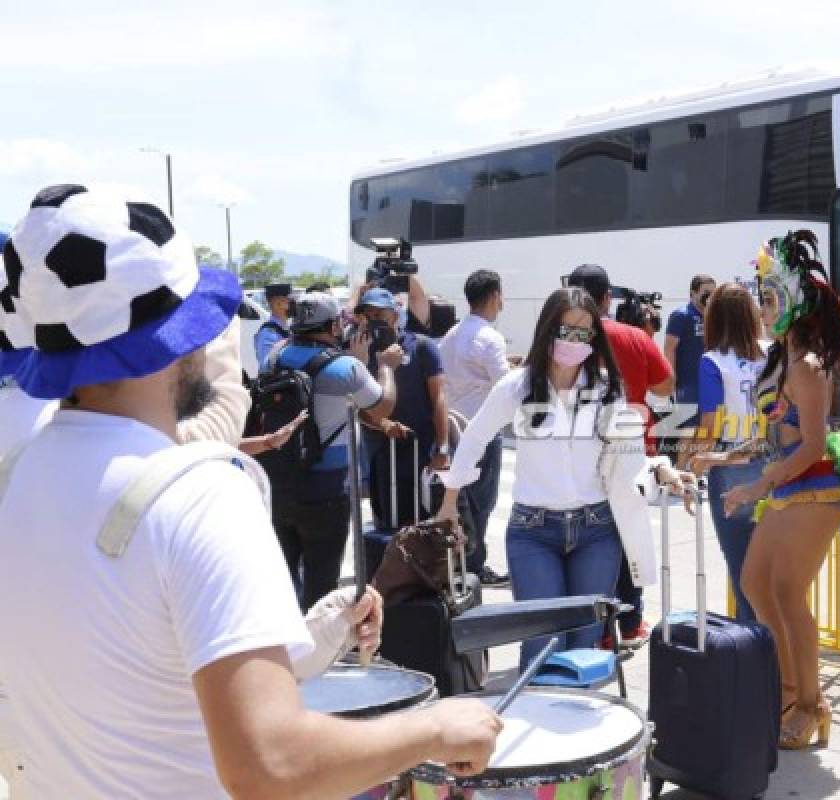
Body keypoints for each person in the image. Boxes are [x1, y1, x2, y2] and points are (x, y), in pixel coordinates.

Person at [0, 186, 500, 797]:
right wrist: (432, 728)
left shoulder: (20, 476)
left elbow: (127, 678)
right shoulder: (202, 494)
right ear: (175, 340)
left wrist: (310, 637)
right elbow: (272, 766)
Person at [434, 288, 688, 668]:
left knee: (585, 644)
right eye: (565, 330)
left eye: (584, 333)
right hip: (533, 530)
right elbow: (474, 438)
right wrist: (449, 502)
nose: (573, 341)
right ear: (548, 329)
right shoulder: (517, 386)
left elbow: (629, 450)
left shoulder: (605, 388)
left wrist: (661, 468)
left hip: (596, 530)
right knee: (541, 645)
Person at [723, 231, 840, 750]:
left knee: (787, 594)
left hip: (813, 487)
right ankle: (790, 694)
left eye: (770, 297)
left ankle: (811, 705)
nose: (763, 307)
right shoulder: (778, 359)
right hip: (788, 486)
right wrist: (723, 457)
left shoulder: (809, 365)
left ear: (796, 302)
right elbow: (774, 432)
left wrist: (757, 487)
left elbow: (813, 444)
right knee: (754, 585)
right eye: (761, 295)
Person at [261, 291, 407, 610]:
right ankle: (317, 653)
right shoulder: (345, 368)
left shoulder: (273, 356)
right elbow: (382, 406)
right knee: (321, 585)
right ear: (333, 325)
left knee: (282, 581)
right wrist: (385, 367)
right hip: (327, 491)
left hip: (278, 484)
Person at [567, 264, 675, 648]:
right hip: (633, 455)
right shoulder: (633, 336)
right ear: (606, 297)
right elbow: (666, 384)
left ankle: (596, 631)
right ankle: (630, 625)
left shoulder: (565, 340)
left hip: (580, 455)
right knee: (630, 536)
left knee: (590, 543)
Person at [682, 282, 767, 622]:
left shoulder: (713, 362)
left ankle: (755, 646)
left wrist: (691, 467)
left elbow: (710, 425)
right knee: (771, 565)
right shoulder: (772, 352)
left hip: (731, 466)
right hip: (773, 461)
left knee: (742, 567)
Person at [439, 269, 512, 587]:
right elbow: (506, 386)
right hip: (482, 432)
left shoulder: (451, 335)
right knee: (482, 504)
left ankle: (456, 561)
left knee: (459, 501)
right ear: (495, 295)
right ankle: (475, 565)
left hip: (453, 429)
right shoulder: (490, 337)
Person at [357, 287, 452, 529]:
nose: (373, 321)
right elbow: (357, 407)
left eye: (380, 314)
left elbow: (439, 397)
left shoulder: (421, 346)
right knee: (387, 522)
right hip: (381, 454)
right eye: (368, 315)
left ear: (395, 316)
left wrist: (442, 448)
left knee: (423, 523)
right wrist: (383, 424)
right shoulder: (360, 352)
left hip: (421, 450)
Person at [664, 274, 716, 442]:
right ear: (693, 293)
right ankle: (681, 466)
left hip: (709, 383)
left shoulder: (713, 317)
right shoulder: (681, 315)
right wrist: (671, 380)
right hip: (688, 384)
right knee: (689, 430)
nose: (710, 297)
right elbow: (669, 349)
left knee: (706, 429)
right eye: (706, 292)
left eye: (713, 293)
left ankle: (697, 467)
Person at [254, 282, 292, 367]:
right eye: (289, 301)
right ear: (278, 304)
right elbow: (266, 367)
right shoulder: (269, 333)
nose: (293, 304)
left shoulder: (286, 327)